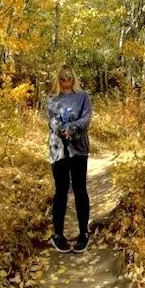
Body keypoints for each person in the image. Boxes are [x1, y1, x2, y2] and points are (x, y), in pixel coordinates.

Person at [46, 65, 92, 253]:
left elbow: (86, 118)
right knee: (61, 191)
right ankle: (58, 235)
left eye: (69, 76)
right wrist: (61, 129)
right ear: (58, 78)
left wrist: (72, 128)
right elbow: (51, 120)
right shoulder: (52, 99)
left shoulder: (83, 97)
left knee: (80, 189)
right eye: (62, 76)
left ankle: (84, 233)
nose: (66, 79)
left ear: (73, 77)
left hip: (79, 149)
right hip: (58, 150)